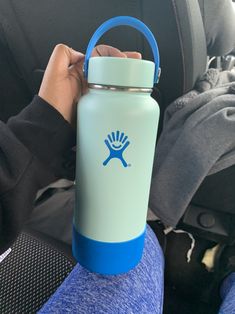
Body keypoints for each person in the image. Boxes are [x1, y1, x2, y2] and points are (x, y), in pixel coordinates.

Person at [0, 43, 164, 313]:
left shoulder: (111, 106)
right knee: (147, 245)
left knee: (140, 244)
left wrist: (42, 121)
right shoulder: (98, 105)